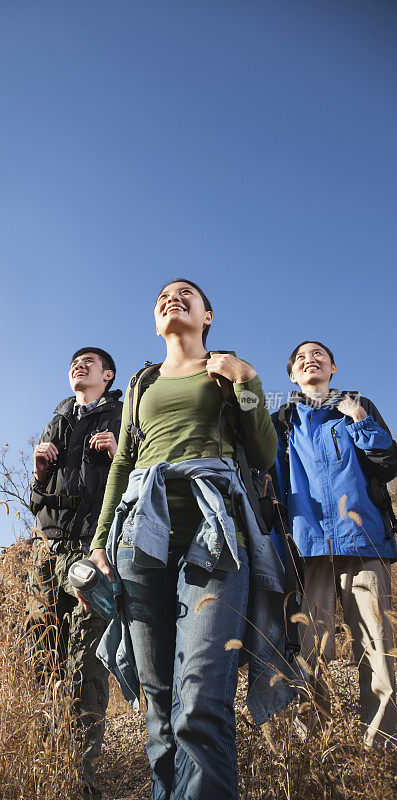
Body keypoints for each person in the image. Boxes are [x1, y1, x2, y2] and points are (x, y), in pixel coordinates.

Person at [85, 279, 299, 800]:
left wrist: (247, 379)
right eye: (162, 296)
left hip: (217, 537)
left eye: (186, 293)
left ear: (208, 315)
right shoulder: (140, 384)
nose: (171, 298)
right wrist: (98, 540)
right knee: (158, 708)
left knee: (201, 697)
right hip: (140, 541)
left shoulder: (226, 372)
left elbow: (265, 454)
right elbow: (123, 465)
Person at [271, 340, 397, 747]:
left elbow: (388, 462)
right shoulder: (281, 421)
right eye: (301, 359)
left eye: (318, 355)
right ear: (292, 375)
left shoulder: (358, 407)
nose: (310, 360)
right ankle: (314, 743)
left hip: (364, 542)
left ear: (334, 367)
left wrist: (359, 419)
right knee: (311, 649)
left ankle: (381, 744)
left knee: (377, 646)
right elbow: (269, 479)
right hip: (307, 549)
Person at [27, 347, 122, 797]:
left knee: (84, 662)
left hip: (92, 552)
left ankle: (79, 778)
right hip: (47, 554)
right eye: (73, 363)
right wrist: (38, 472)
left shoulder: (122, 415)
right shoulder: (57, 422)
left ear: (108, 374)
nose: (78, 366)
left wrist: (120, 450)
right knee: (40, 657)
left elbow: (141, 478)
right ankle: (46, 768)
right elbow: (36, 501)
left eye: (89, 362)